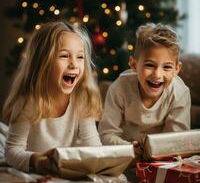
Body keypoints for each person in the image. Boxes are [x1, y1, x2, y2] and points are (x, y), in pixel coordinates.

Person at [3, 21, 102, 174]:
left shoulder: (81, 98)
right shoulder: (28, 101)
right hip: (32, 169)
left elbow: (93, 145)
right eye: (64, 56)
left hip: (62, 171)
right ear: (42, 62)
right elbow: (12, 151)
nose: (74, 64)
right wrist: (35, 160)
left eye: (80, 57)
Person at [98, 23, 191, 146]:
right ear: (134, 65)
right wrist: (129, 148)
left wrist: (154, 151)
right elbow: (106, 133)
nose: (157, 74)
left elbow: (178, 140)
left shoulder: (179, 93)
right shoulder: (119, 88)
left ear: (177, 69)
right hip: (125, 152)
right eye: (149, 65)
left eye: (167, 67)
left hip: (163, 156)